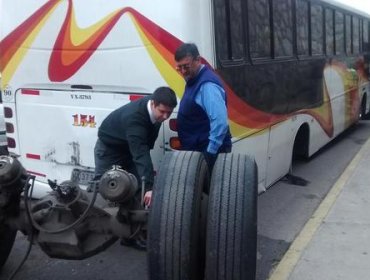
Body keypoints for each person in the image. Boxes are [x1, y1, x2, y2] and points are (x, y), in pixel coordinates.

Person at [94, 86, 177, 207]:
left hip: (129, 148)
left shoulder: (155, 105)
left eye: (169, 113)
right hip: (109, 150)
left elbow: (143, 150)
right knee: (106, 188)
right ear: (153, 104)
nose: (165, 117)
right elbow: (141, 154)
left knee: (138, 186)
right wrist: (149, 187)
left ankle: (135, 219)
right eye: (162, 112)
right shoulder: (135, 119)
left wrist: (147, 187)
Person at [175, 43, 232, 170]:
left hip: (207, 152)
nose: (183, 71)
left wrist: (210, 153)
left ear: (198, 60)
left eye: (186, 66)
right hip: (196, 150)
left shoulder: (207, 85)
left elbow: (220, 122)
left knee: (211, 188)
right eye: (179, 68)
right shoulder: (193, 79)